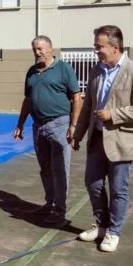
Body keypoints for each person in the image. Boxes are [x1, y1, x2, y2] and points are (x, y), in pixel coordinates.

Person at [72, 25, 133, 253]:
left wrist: (114, 115)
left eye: (99, 46)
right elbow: (88, 104)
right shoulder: (96, 71)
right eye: (95, 46)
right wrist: (78, 132)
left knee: (119, 189)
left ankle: (113, 232)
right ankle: (101, 225)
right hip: (96, 138)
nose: (95, 50)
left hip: (121, 140)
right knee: (93, 184)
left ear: (115, 47)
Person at [14, 35, 82, 226]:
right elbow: (28, 100)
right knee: (45, 169)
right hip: (38, 127)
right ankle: (50, 203)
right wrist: (20, 124)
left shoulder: (63, 68)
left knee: (60, 169)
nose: (38, 53)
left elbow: (77, 97)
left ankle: (59, 211)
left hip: (59, 125)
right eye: (35, 49)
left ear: (51, 49)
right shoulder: (32, 72)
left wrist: (73, 125)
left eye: (41, 49)